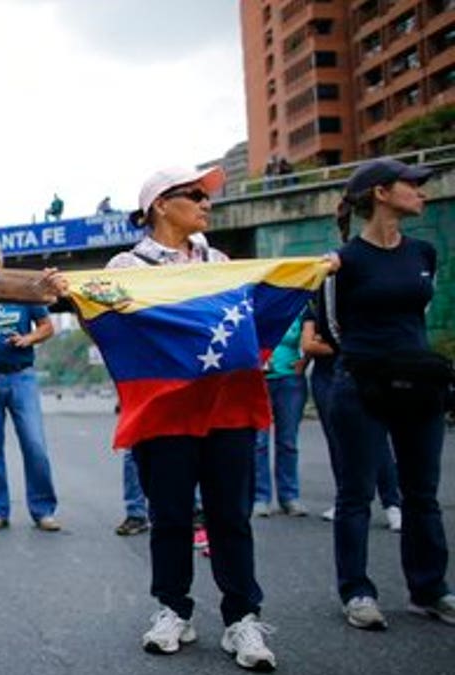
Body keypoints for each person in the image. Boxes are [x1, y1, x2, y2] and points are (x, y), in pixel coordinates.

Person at [111, 166, 276, 671]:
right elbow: (110, 326)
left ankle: (241, 618)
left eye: (208, 197)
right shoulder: (127, 266)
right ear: (161, 204)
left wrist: (314, 270)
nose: (207, 204)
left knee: (230, 516)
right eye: (195, 196)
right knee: (171, 518)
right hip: (164, 413)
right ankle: (173, 610)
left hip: (225, 407)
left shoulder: (222, 262)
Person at [327, 158, 453, 630]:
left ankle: (430, 589)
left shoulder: (424, 253)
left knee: (422, 494)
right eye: (413, 185)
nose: (423, 192)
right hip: (361, 383)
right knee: (356, 494)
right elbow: (335, 326)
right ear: (382, 193)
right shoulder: (344, 261)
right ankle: (356, 592)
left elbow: (416, 315)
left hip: (419, 383)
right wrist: (371, 360)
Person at [0, 241, 62, 533]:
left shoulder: (22, 290)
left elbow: (47, 326)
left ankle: (43, 510)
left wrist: (27, 340)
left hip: (21, 376)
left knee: (34, 443)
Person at [300, 303, 402, 530]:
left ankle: (392, 504)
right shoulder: (315, 306)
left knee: (377, 442)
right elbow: (308, 345)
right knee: (337, 443)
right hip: (326, 378)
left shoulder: (360, 300)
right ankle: (343, 497)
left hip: (363, 376)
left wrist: (329, 343)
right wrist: (341, 344)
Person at [252, 314, 309, 518]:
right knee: (259, 442)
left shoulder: (296, 306)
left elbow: (310, 336)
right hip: (259, 379)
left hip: (290, 379)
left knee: (288, 441)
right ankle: (260, 497)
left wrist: (305, 359)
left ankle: (289, 497)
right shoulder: (256, 303)